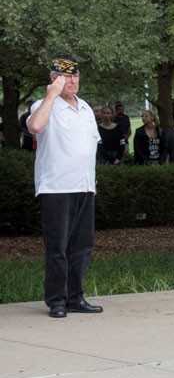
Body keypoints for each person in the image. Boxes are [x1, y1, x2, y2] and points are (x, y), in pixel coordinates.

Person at [26, 56, 103, 318]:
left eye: (75, 76)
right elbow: (35, 126)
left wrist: (91, 183)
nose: (72, 81)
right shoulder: (43, 105)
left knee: (81, 246)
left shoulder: (86, 108)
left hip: (83, 186)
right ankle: (56, 300)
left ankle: (75, 297)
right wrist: (51, 95)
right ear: (53, 79)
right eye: (65, 76)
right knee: (57, 247)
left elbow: (89, 149)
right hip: (56, 188)